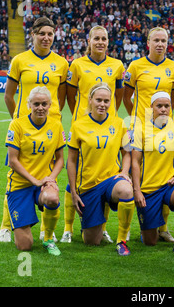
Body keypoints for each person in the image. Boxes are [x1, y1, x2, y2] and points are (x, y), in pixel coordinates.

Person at [0, 17, 69, 243]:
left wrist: (54, 123)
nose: (46, 38)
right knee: (16, 175)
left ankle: (46, 231)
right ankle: (5, 226)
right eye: (42, 34)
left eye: (50, 34)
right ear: (33, 35)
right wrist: (18, 122)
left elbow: (63, 97)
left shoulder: (61, 63)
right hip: (24, 128)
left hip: (50, 130)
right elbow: (9, 95)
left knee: (48, 178)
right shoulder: (19, 60)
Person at [62, 26, 125, 244]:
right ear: (89, 41)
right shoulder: (77, 64)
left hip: (108, 130)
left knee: (106, 174)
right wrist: (81, 119)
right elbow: (71, 95)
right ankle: (68, 228)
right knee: (75, 180)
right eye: (96, 38)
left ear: (108, 42)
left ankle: (102, 227)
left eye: (104, 39)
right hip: (83, 129)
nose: (100, 42)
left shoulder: (117, 65)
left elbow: (119, 94)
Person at [123, 27, 174, 242]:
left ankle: (163, 227)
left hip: (164, 130)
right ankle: (128, 227)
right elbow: (126, 96)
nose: (160, 44)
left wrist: (164, 119)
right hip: (140, 128)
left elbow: (173, 97)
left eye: (163, 40)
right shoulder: (136, 65)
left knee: (166, 173)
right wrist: (136, 121)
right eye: (156, 40)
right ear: (148, 42)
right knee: (133, 175)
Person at [66, 83, 135, 255]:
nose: (102, 104)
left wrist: (124, 173)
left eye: (106, 100)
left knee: (127, 191)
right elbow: (72, 161)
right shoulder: (78, 125)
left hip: (112, 180)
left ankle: (122, 240)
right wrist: (74, 191)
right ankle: (91, 224)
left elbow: (126, 153)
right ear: (90, 100)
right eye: (98, 100)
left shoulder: (119, 123)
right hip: (88, 186)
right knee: (91, 241)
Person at [130, 92, 174, 255]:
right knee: (150, 242)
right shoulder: (140, 129)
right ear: (151, 108)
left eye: (167, 106)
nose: (164, 109)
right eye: (159, 106)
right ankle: (150, 228)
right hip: (148, 189)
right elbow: (135, 162)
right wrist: (137, 190)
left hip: (169, 185)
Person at [4, 86, 65, 255]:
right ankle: (22, 219)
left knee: (52, 198)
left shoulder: (56, 125)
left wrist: (50, 179)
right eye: (36, 103)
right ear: (28, 104)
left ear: (50, 105)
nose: (40, 107)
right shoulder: (16, 125)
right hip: (19, 185)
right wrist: (35, 180)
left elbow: (60, 159)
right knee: (25, 246)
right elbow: (12, 160)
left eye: (44, 104)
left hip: (43, 184)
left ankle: (48, 238)